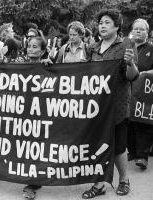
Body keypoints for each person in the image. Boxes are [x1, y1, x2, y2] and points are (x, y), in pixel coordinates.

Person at [82, 9, 139, 198]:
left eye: (107, 22)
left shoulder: (126, 45)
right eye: (100, 23)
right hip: (96, 106)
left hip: (117, 106)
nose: (103, 26)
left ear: (117, 26)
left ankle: (124, 180)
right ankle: (99, 185)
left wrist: (130, 64)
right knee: (97, 145)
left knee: (118, 146)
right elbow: (84, 74)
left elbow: (132, 76)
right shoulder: (92, 47)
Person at [21, 36, 47, 200]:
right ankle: (32, 179)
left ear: (42, 51)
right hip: (23, 111)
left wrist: (48, 66)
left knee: (37, 146)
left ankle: (32, 182)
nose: (31, 49)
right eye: (29, 46)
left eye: (35, 47)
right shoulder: (20, 66)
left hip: (41, 113)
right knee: (26, 145)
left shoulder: (47, 66)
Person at [127, 18, 153, 169]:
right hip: (127, 91)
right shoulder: (126, 47)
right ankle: (132, 151)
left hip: (144, 94)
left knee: (142, 123)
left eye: (141, 29)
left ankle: (142, 156)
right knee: (128, 122)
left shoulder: (151, 48)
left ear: (147, 33)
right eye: (135, 28)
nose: (137, 31)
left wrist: (144, 74)